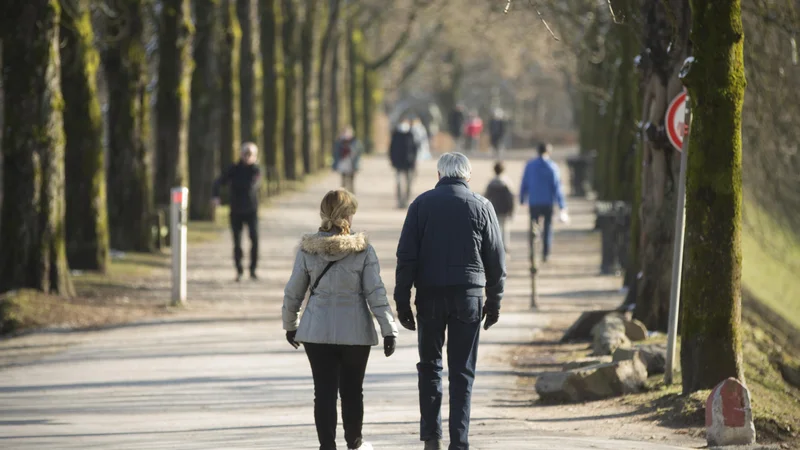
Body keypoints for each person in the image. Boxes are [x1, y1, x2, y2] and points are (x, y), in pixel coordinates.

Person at [394, 153, 506, 450]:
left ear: (439, 173)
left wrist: (402, 300)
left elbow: (406, 257)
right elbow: (496, 260)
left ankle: (432, 438)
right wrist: (494, 301)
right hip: (468, 295)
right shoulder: (482, 206)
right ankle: (459, 440)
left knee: (430, 367)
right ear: (467, 176)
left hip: (430, 295)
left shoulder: (420, 205)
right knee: (462, 371)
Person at [283, 189, 399, 450]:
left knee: (323, 392)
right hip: (355, 333)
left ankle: (327, 446)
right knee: (352, 391)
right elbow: (375, 292)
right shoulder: (363, 251)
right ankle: (354, 443)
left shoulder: (307, 250)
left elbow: (294, 291)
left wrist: (291, 324)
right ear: (348, 216)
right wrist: (388, 329)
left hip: (316, 331)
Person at [212, 142, 261, 282]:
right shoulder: (233, 169)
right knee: (237, 243)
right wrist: (215, 196)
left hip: (251, 211)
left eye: (250, 154)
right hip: (236, 211)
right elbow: (218, 182)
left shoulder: (256, 170)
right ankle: (239, 270)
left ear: (254, 156)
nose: (247, 156)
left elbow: (253, 184)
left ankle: (252, 270)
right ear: (241, 154)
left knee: (254, 240)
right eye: (245, 153)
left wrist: (234, 185)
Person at [519, 143, 569, 263]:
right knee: (547, 228)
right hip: (547, 202)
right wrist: (562, 206)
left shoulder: (530, 166)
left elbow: (524, 183)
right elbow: (557, 188)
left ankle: (532, 251)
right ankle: (546, 253)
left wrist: (522, 198)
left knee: (533, 227)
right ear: (549, 152)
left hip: (534, 201)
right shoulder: (552, 167)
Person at [484, 161, 515, 253]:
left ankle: (496, 246)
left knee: (495, 229)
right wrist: (512, 210)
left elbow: (486, 197)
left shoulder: (491, 183)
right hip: (505, 209)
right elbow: (511, 198)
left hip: (494, 209)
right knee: (505, 228)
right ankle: (505, 246)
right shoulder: (507, 183)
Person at [389, 118, 420, 208]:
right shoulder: (396, 135)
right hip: (398, 164)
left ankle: (405, 200)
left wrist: (414, 161)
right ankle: (399, 201)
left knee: (409, 183)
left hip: (409, 164)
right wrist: (392, 161)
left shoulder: (411, 134)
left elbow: (415, 149)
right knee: (398, 182)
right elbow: (391, 149)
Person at [333, 126, 363, 193]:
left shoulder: (355, 142)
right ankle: (342, 198)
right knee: (343, 182)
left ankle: (352, 198)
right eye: (344, 133)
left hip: (352, 164)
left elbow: (359, 152)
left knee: (351, 182)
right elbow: (336, 154)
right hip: (343, 164)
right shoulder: (339, 142)